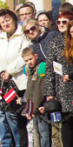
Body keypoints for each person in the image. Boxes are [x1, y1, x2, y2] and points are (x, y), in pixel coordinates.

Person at [0, 9, 28, 147]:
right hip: (6, 84)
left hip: (21, 82)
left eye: (8, 20)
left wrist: (10, 71)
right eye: (2, 22)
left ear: (14, 19)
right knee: (10, 118)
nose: (6, 23)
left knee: (22, 121)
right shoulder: (1, 38)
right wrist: (2, 73)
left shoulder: (23, 35)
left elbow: (24, 56)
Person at [43, 10, 73, 147]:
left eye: (64, 22)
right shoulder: (55, 42)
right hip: (63, 89)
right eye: (58, 22)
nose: (61, 24)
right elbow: (50, 68)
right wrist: (50, 92)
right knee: (66, 125)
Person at [21, 47, 50, 147]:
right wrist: (28, 109)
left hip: (41, 106)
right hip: (34, 108)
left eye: (30, 59)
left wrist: (33, 109)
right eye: (26, 61)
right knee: (38, 132)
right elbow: (29, 92)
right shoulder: (30, 70)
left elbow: (39, 91)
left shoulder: (40, 68)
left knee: (44, 133)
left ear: (36, 56)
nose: (29, 62)